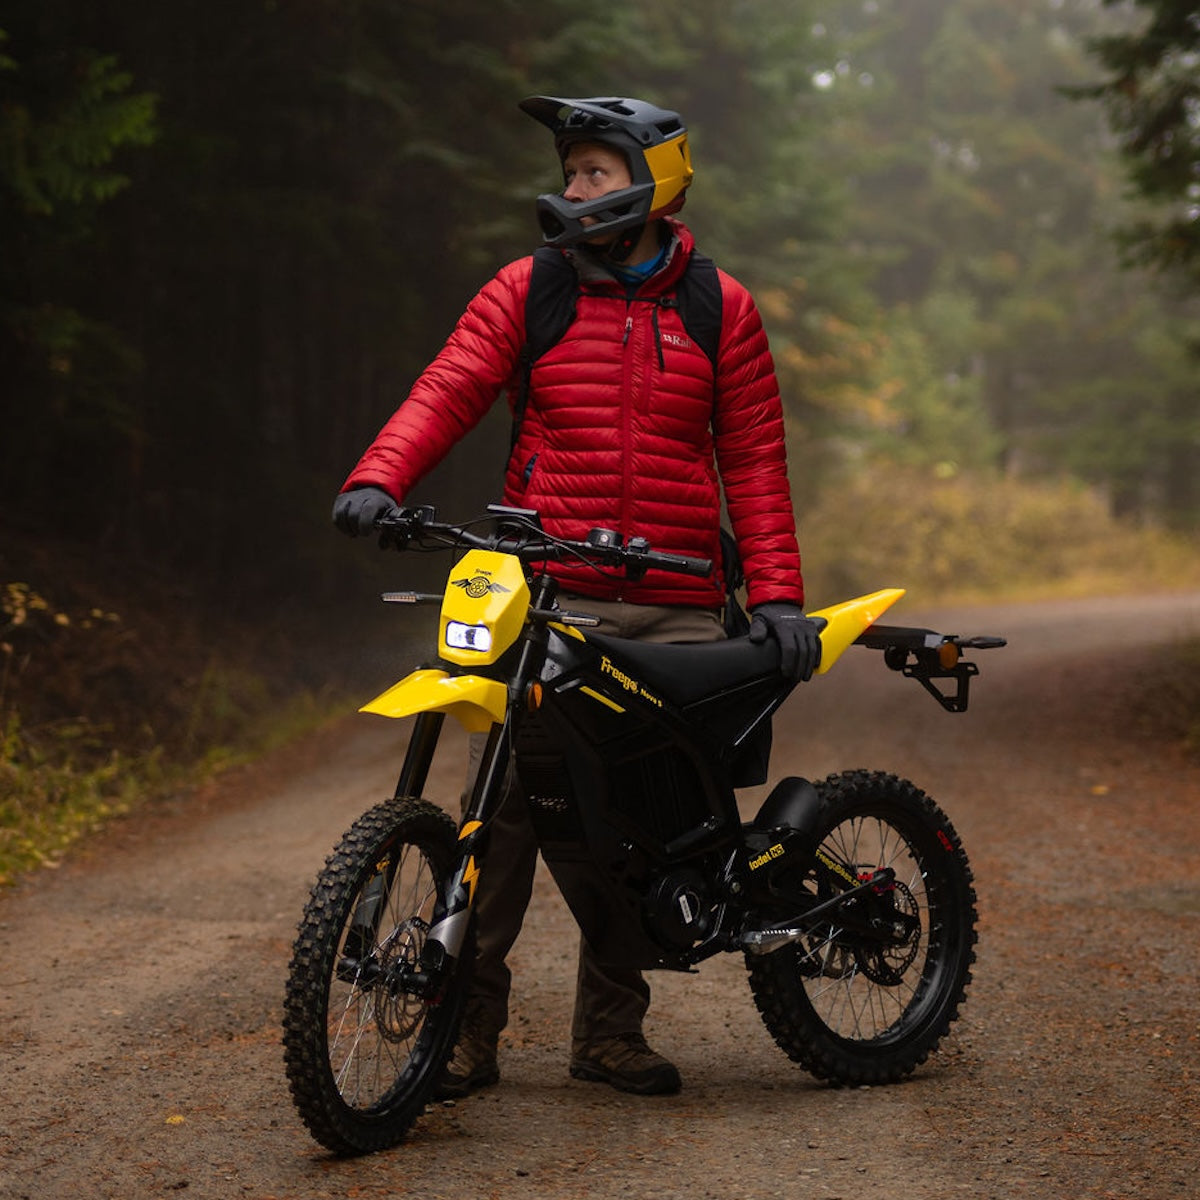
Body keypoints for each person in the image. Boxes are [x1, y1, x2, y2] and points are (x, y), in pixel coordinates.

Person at [332, 95, 821, 1098]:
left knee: (646, 827)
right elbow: (450, 385)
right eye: (571, 172)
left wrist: (776, 599)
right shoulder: (531, 288)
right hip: (549, 593)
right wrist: (382, 476)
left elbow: (757, 464)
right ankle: (461, 1035)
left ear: (654, 179)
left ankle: (609, 1034)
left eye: (595, 171)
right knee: (505, 812)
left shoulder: (718, 306)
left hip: (681, 598)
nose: (572, 189)